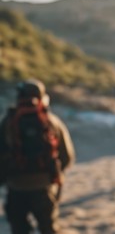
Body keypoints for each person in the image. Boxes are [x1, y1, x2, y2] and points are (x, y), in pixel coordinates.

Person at [0, 79, 75, 234]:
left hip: (16, 187)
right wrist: (53, 176)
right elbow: (67, 157)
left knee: (19, 229)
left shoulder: (7, 122)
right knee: (49, 228)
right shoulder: (52, 122)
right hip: (44, 187)